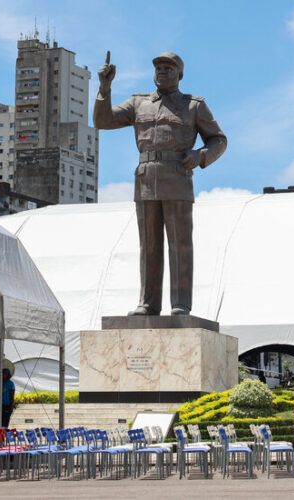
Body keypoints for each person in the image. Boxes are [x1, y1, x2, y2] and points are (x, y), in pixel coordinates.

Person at [94, 51, 227, 316]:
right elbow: (102, 121)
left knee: (180, 245)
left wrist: (200, 155)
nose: (162, 71)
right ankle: (148, 303)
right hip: (146, 179)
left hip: (177, 176)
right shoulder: (138, 104)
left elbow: (219, 140)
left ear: (179, 73)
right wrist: (104, 87)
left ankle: (180, 304)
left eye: (168, 67)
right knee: (149, 246)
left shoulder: (194, 106)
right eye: (158, 67)